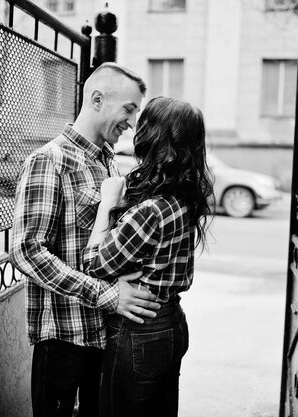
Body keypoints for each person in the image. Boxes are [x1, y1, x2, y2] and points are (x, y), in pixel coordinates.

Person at [9, 62, 161, 417]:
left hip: (104, 333)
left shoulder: (107, 162)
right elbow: (27, 252)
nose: (132, 122)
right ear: (96, 99)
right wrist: (107, 295)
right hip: (64, 340)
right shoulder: (50, 161)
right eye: (128, 109)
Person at [82, 96, 214, 417]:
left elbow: (95, 264)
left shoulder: (150, 211)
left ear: (153, 137)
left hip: (139, 332)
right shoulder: (183, 198)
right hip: (171, 323)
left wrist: (106, 204)